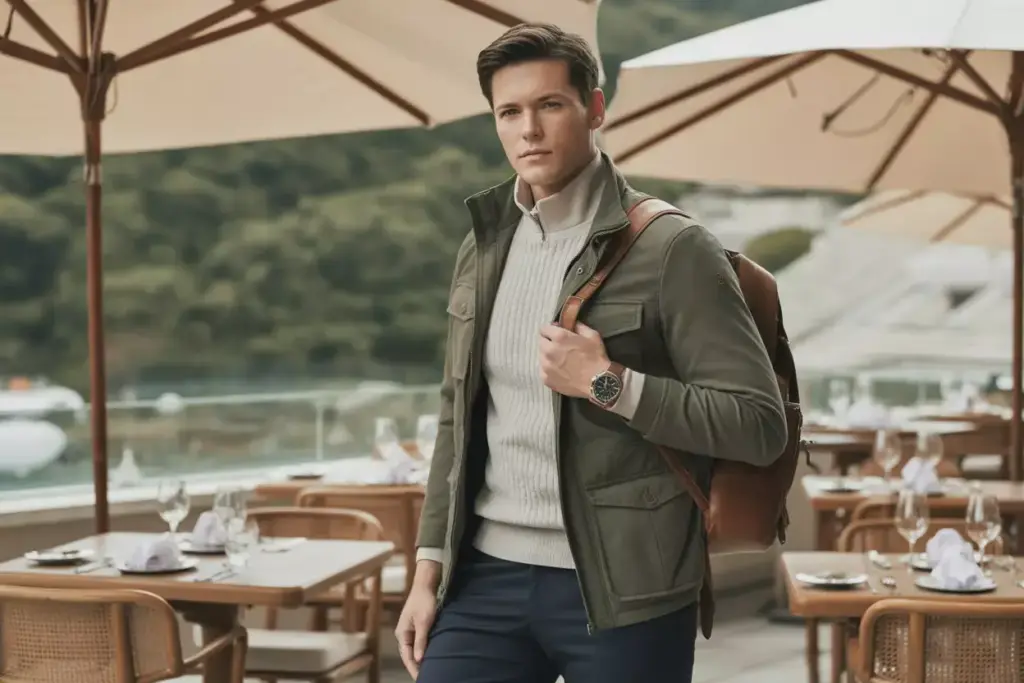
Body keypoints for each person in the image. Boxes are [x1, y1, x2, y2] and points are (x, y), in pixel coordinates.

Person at [395, 22, 788, 683]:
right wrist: (427, 569)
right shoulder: (484, 247)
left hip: (626, 588)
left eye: (550, 105)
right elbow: (453, 420)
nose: (529, 130)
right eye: (509, 112)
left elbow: (758, 424)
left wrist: (609, 383)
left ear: (595, 109)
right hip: (483, 578)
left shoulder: (673, 249)